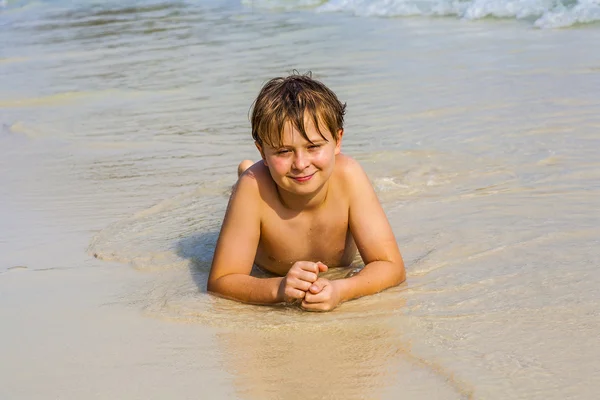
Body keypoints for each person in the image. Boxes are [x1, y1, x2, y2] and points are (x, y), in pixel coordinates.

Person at [207, 73, 405, 311]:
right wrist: (278, 289)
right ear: (263, 152)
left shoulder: (349, 178)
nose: (300, 163)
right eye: (283, 151)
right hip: (259, 184)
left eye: (313, 147)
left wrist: (341, 290)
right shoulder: (254, 190)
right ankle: (247, 170)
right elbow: (221, 280)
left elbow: (391, 266)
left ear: (337, 141)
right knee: (250, 178)